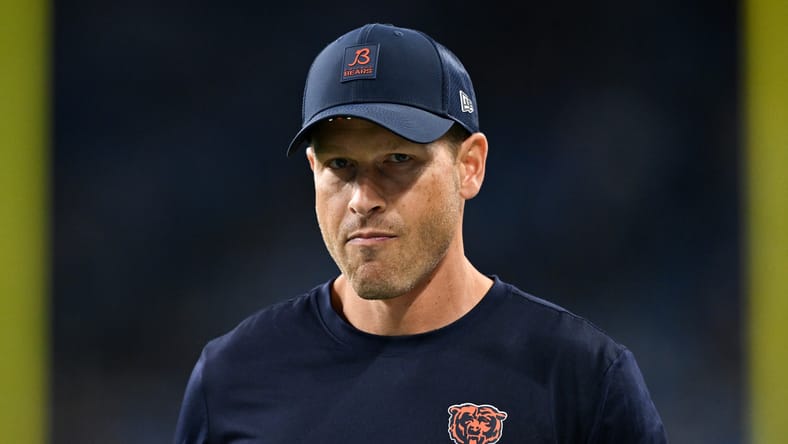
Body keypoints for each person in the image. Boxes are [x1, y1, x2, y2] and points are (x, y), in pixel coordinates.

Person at [174, 23, 668, 443]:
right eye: (339, 165)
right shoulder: (232, 379)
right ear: (312, 170)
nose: (362, 197)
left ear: (469, 166)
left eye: (398, 160)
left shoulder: (580, 380)